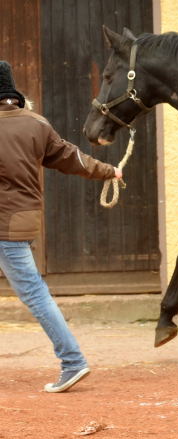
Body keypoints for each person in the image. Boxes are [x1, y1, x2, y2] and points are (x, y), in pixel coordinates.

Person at [0, 60, 122, 393]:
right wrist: (108, 170)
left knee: (36, 296)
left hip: (4, 227)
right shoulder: (36, 124)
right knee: (35, 294)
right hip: (22, 222)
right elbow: (72, 157)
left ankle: (73, 361)